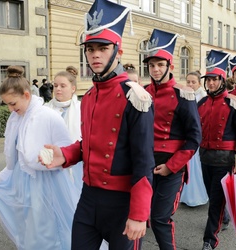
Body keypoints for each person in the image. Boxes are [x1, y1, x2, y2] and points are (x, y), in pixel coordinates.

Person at [40, 1, 155, 249]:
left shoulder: (135, 97)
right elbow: (90, 144)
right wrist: (65, 154)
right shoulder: (90, 95)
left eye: (103, 48)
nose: (95, 54)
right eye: (90, 48)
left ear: (118, 51)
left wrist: (138, 214)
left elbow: (144, 160)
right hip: (89, 198)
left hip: (123, 203)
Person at [0, 66, 79, 250]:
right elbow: (15, 152)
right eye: (7, 104)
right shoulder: (17, 117)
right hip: (26, 179)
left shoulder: (48, 115)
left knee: (50, 226)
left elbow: (66, 148)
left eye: (13, 103)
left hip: (47, 179)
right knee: (31, 226)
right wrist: (6, 175)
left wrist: (46, 157)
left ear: (27, 95)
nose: (10, 109)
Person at [143, 29, 202, 249]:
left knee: (159, 218)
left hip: (171, 167)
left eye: (160, 64)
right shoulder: (141, 92)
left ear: (170, 66)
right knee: (139, 216)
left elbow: (194, 138)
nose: (156, 69)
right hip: (144, 163)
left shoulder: (183, 95)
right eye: (151, 65)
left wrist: (171, 166)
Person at [198, 50, 236, 250]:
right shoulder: (201, 103)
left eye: (214, 79)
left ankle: (209, 240)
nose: (210, 83)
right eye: (208, 79)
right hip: (205, 158)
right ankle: (223, 217)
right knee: (213, 198)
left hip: (225, 160)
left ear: (222, 79)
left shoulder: (233, 103)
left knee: (215, 203)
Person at [44, 68, 84, 191]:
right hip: (51, 162)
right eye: (55, 86)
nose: (58, 89)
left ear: (73, 88)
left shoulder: (81, 107)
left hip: (76, 163)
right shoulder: (45, 109)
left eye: (62, 86)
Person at [180, 71, 208, 207]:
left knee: (196, 167)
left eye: (193, 82)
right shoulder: (184, 94)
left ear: (199, 83)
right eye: (188, 81)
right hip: (185, 134)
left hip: (197, 136)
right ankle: (185, 194)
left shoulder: (203, 97)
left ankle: (197, 195)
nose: (190, 84)